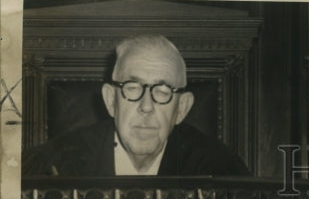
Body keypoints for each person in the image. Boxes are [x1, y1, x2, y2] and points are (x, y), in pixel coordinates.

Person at [23, 35, 249, 177]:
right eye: (132, 87)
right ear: (111, 100)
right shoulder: (53, 165)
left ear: (181, 109)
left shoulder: (221, 172)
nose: (146, 106)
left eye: (162, 91)